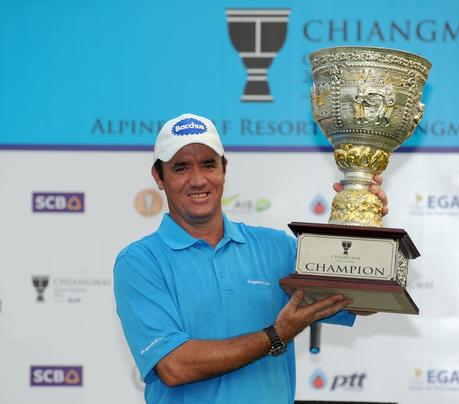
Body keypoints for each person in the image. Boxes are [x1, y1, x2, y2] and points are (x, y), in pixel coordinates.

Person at [114, 113, 388, 404]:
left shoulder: (277, 248)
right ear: (159, 177)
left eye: (208, 164)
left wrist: (363, 224)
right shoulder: (140, 262)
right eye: (181, 168)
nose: (197, 180)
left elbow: (359, 301)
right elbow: (175, 366)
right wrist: (275, 335)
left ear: (224, 169)